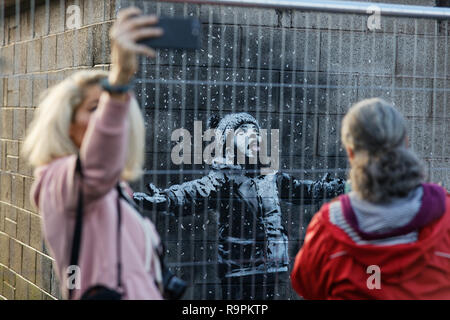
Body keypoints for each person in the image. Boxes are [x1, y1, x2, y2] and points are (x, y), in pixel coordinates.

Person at [23, 7, 165, 300]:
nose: (108, 117)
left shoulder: (114, 191)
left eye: (111, 109)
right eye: (94, 108)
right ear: (66, 123)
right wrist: (119, 82)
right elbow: (96, 169)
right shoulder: (55, 182)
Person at [134, 112, 345, 299]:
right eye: (243, 132)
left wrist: (330, 188)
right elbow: (195, 192)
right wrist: (167, 198)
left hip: (272, 267)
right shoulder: (224, 177)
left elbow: (302, 191)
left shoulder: (271, 177)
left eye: (255, 130)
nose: (253, 134)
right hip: (239, 270)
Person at [291, 98, 450, 299]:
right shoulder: (445, 215)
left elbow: (306, 286)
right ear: (406, 143)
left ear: (350, 153)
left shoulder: (327, 229)